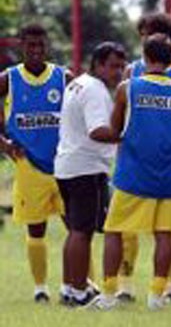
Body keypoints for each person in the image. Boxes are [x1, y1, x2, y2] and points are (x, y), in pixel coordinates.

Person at [86, 34, 171, 310]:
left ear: (144, 58)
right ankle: (157, 296)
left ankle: (109, 295)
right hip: (169, 176)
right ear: (170, 61)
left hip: (134, 175)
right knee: (164, 235)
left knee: (113, 231)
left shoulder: (128, 88)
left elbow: (115, 129)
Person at [118, 12, 171, 302]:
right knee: (126, 231)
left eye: (148, 34)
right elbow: (122, 121)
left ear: (166, 39)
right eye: (141, 35)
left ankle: (170, 287)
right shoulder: (131, 72)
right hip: (136, 166)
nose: (143, 40)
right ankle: (124, 285)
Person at [0, 23, 73, 302]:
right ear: (21, 45)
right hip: (29, 165)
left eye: (40, 45)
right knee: (36, 228)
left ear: (47, 46)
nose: (35, 50)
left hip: (65, 164)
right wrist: (5, 144)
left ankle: (81, 285)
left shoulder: (63, 77)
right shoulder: (9, 79)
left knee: (75, 228)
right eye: (30, 45)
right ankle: (40, 288)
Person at [55, 42, 126, 306]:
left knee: (76, 230)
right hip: (85, 168)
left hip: (69, 165)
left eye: (121, 66)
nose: (118, 72)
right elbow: (97, 131)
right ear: (97, 64)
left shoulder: (79, 83)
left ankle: (69, 287)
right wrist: (129, 136)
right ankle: (78, 291)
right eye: (112, 66)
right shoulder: (95, 90)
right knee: (82, 231)